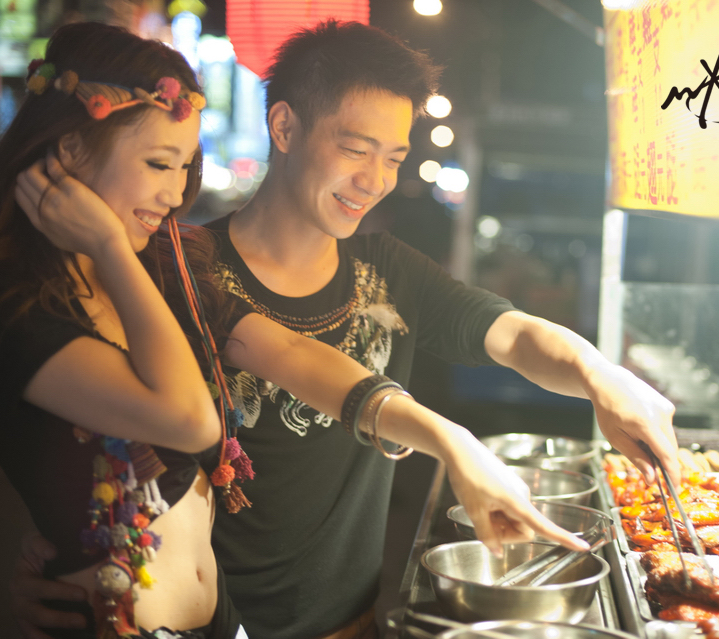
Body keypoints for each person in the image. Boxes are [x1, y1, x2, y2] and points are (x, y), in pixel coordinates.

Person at [0, 20, 586, 639]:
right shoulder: (51, 298)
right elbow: (184, 421)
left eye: (185, 166)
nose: (174, 194)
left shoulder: (173, 268)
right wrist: (110, 247)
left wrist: (462, 440)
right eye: (157, 163)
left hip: (231, 622)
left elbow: (292, 354)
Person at [200, 20, 680, 639]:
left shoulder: (388, 271)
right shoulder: (192, 271)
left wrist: (599, 374)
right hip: (217, 623)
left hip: (355, 623)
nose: (375, 180)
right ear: (285, 127)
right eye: (356, 150)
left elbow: (512, 334)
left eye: (394, 158)